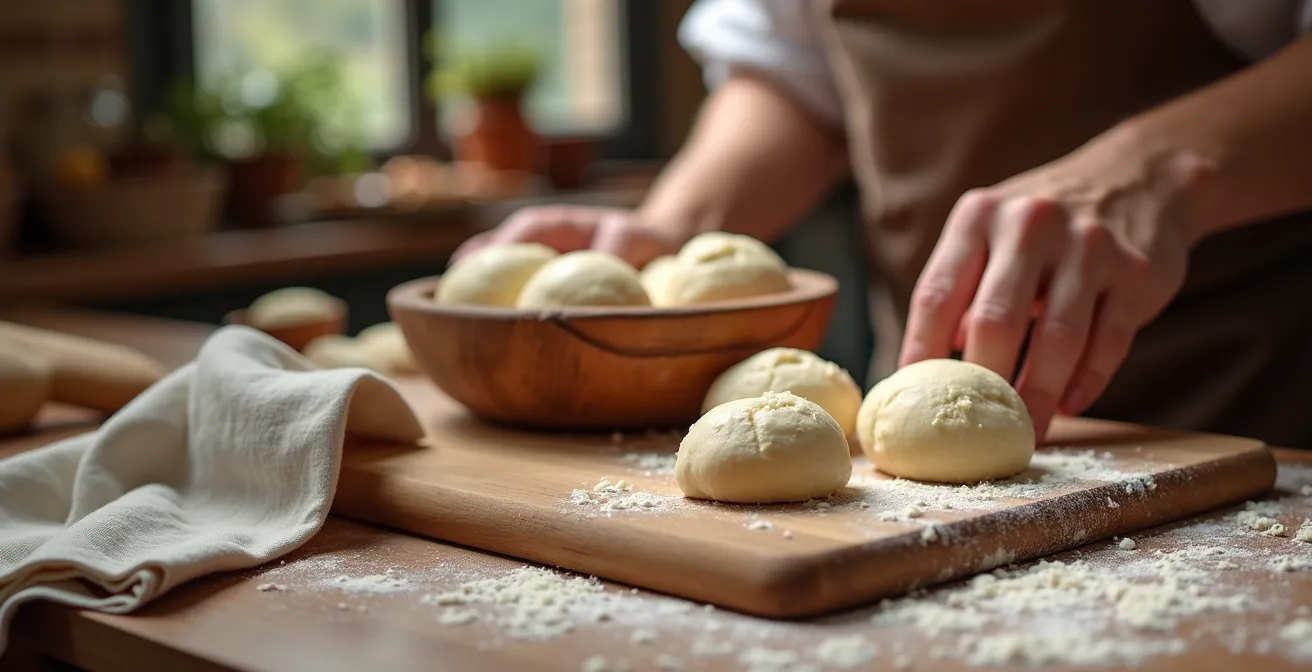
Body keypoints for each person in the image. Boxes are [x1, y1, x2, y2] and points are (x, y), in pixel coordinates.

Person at [454, 0, 1312, 447]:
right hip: (915, 394)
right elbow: (792, 72)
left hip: (1254, 403)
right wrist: (676, 232)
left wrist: (1159, 168)